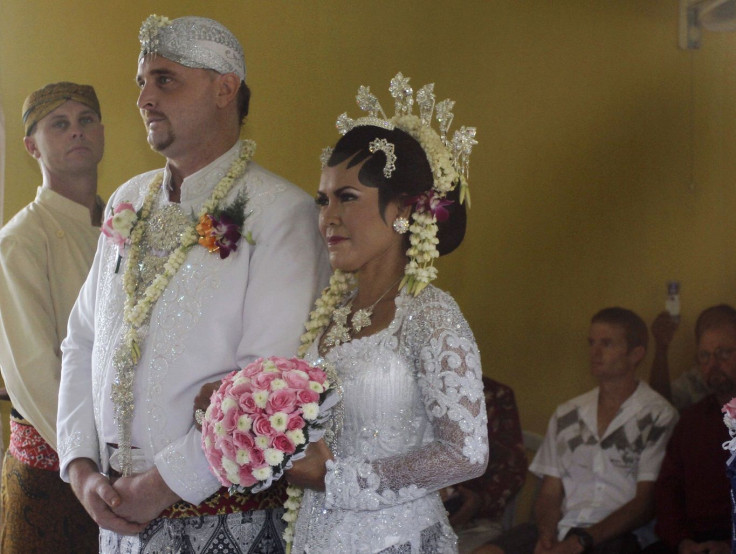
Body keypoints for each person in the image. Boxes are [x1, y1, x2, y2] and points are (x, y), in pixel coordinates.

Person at [56, 15, 329, 553]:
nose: (144, 98)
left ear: (224, 88)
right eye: (141, 82)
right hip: (116, 512)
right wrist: (81, 469)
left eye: (165, 79)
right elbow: (82, 339)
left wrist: (161, 486)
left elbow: (267, 379)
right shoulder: (126, 201)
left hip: (223, 516)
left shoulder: (280, 213)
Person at [280, 73, 488, 553]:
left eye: (347, 198)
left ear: (401, 210)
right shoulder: (330, 314)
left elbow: (467, 453)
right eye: (323, 199)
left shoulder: (430, 314)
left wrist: (337, 478)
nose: (328, 217)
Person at [478, 308, 678, 554]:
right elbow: (550, 492)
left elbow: (646, 503)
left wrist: (580, 541)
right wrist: (546, 533)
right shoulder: (568, 413)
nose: (595, 353)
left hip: (621, 536)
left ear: (636, 354)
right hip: (563, 527)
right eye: (591, 343)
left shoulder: (658, 414)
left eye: (607, 344)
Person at [0, 81, 104, 553]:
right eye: (59, 124)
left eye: (85, 120)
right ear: (31, 146)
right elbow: (35, 372)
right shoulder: (20, 239)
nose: (76, 132)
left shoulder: (129, 221)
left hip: (129, 466)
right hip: (55, 474)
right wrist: (90, 462)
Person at [644, 305, 736, 554]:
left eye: (723, 353)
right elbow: (668, 491)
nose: (713, 364)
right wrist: (683, 543)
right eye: (705, 356)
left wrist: (728, 547)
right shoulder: (692, 421)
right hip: (691, 543)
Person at [443, 376, 527, 553]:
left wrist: (475, 503)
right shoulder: (398, 391)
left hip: (472, 525)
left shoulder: (495, 397)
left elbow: (511, 472)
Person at [648, 311, 708, 411]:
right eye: (706, 354)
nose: (714, 361)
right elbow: (660, 406)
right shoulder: (694, 381)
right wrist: (661, 347)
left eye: (724, 352)